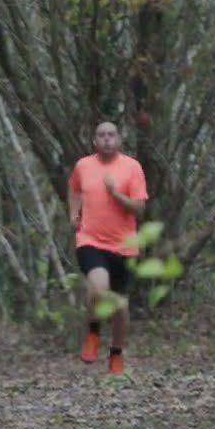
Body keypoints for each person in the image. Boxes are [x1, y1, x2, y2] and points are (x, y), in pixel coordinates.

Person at [67, 121, 149, 374]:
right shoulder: (84, 165)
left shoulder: (132, 168)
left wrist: (116, 194)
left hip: (124, 247)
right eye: (101, 135)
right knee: (98, 287)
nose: (106, 139)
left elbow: (139, 208)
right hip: (90, 240)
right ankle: (93, 334)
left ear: (119, 139)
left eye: (111, 135)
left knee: (120, 309)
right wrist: (73, 213)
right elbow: (74, 188)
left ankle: (116, 353)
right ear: (94, 141)